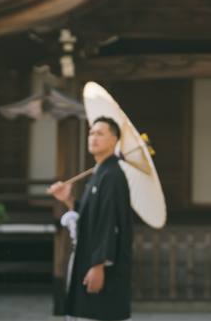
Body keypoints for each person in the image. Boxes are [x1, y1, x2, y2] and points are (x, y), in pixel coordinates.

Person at [49, 116, 133, 321]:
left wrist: (98, 265)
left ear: (114, 140)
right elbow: (91, 216)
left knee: (99, 314)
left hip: (102, 266)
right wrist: (68, 199)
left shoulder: (112, 175)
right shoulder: (100, 173)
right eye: (91, 133)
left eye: (100, 133)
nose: (93, 137)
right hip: (91, 258)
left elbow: (109, 223)